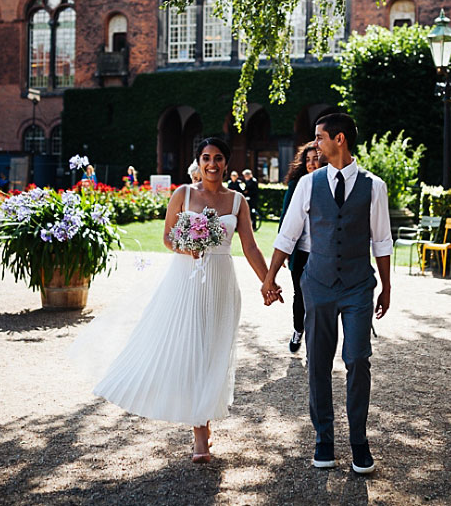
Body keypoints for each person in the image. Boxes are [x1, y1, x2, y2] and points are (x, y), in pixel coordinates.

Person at [89, 137, 269, 463]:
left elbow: (250, 247)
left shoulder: (237, 200)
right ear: (198, 162)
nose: (211, 164)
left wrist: (268, 281)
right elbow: (167, 238)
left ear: (226, 162)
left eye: (217, 158)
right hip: (186, 280)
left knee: (214, 352)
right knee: (193, 350)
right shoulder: (182, 194)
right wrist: (189, 247)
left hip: (221, 282)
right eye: (205, 158)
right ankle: (200, 434)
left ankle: (204, 418)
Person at [262, 113, 392, 475]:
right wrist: (270, 276)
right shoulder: (308, 184)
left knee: (357, 360)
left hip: (357, 287)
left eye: (319, 138)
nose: (314, 145)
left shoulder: (374, 186)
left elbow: (381, 241)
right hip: (317, 285)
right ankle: (323, 438)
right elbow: (288, 234)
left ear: (339, 139)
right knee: (318, 363)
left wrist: (386, 287)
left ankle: (359, 442)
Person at [279, 141, 323, 352]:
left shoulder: (331, 184)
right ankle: (298, 330)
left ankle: (315, 340)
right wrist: (284, 251)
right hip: (301, 252)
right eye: (308, 160)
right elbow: (285, 217)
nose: (312, 164)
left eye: (316, 159)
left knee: (320, 298)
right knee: (300, 294)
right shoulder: (296, 185)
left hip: (323, 253)